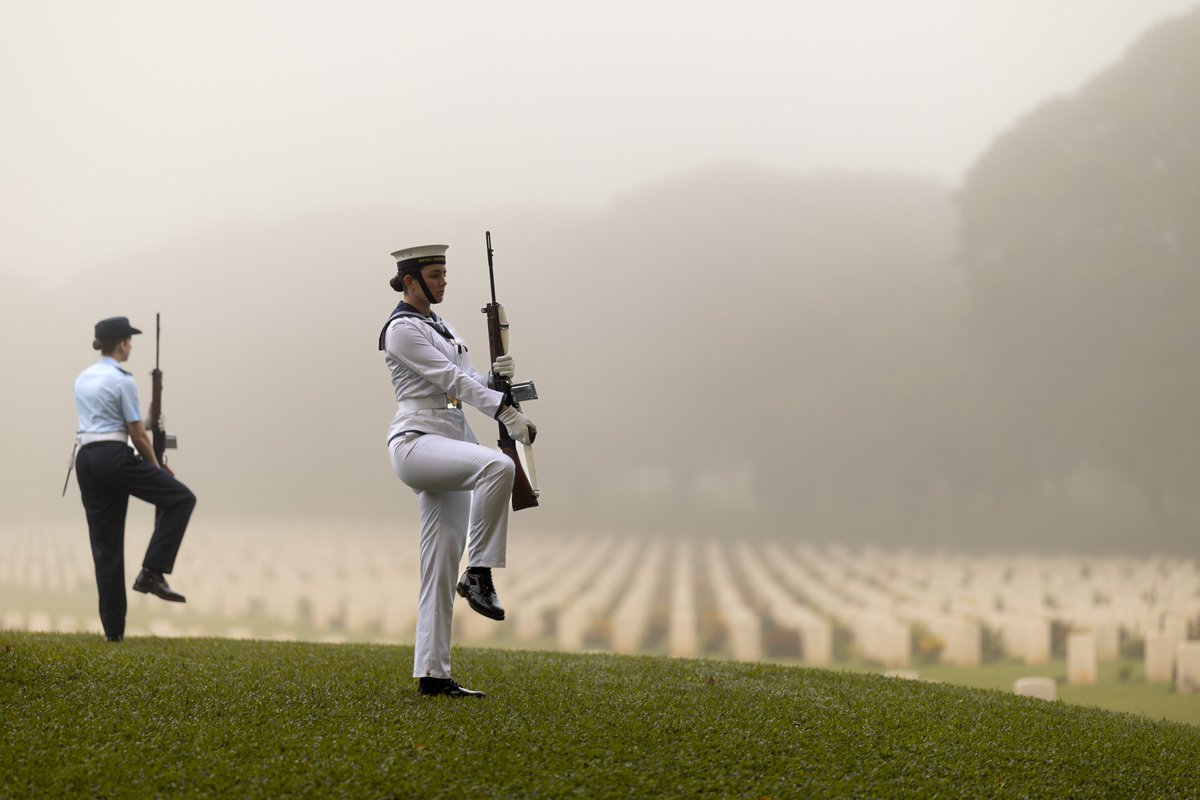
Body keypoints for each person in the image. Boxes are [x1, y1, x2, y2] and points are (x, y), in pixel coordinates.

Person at [379, 244, 535, 698]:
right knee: (496, 466)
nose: (444, 280)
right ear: (411, 281)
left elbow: (465, 378)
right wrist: (504, 410)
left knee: (438, 566)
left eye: (445, 272)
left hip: (451, 443)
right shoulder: (401, 330)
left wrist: (496, 378)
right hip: (417, 444)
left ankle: (434, 674)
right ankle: (481, 572)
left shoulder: (442, 325)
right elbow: (451, 382)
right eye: (435, 273)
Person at [72, 316, 196, 642]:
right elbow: (138, 435)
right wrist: (156, 468)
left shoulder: (82, 378)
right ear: (123, 343)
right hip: (115, 458)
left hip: (86, 460)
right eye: (130, 341)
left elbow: (103, 424)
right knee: (182, 499)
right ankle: (152, 572)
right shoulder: (122, 380)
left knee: (106, 546)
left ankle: (113, 633)